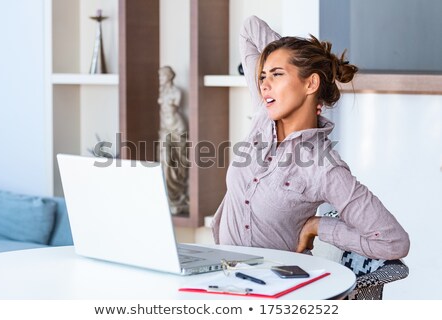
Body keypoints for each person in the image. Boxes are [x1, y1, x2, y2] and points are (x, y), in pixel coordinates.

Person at [211, 16, 410, 260]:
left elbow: (394, 243)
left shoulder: (324, 169)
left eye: (277, 74)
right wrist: (296, 58)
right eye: (263, 76)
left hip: (273, 291)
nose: (264, 85)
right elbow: (249, 28)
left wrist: (319, 226)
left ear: (311, 83)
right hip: (219, 275)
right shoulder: (263, 116)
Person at [158, 66, 189, 215]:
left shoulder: (177, 92)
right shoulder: (162, 91)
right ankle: (170, 196)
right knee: (165, 160)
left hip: (177, 128)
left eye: (162, 76)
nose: (160, 79)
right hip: (165, 129)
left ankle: (178, 194)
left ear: (169, 76)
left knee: (179, 162)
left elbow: (175, 105)